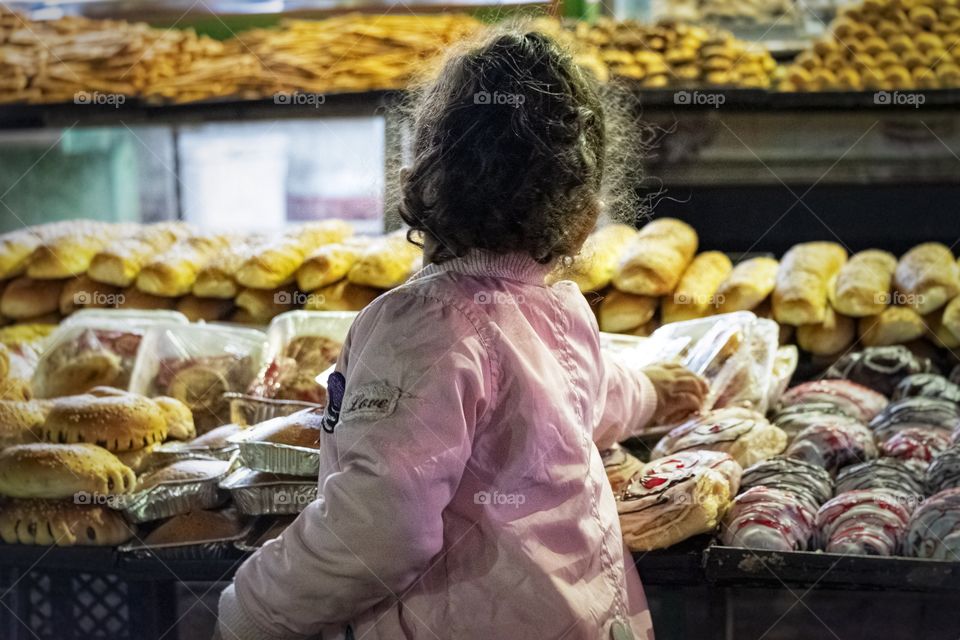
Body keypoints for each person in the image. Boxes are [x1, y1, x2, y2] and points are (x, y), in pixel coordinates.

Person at [216, 26, 707, 640]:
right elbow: (591, 395)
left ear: (417, 179)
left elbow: (379, 528)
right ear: (583, 219)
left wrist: (251, 609)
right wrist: (654, 395)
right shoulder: (562, 310)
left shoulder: (421, 327)